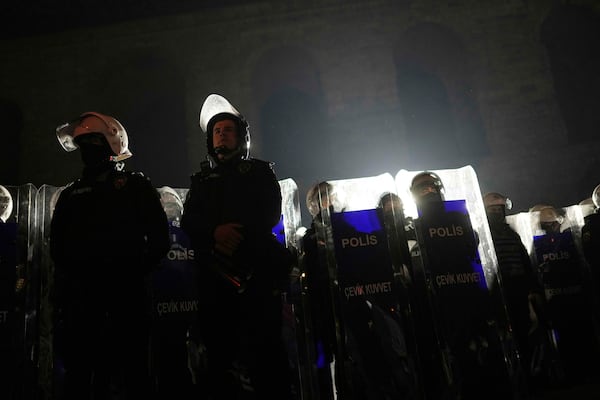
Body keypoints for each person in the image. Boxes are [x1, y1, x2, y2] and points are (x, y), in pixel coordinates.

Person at [50, 111, 170, 400]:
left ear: (111, 143)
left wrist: (131, 273)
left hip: (127, 299)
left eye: (95, 140)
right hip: (82, 302)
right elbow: (58, 248)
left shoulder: (135, 186)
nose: (89, 148)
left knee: (133, 374)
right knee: (80, 376)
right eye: (84, 143)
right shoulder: (71, 195)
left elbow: (159, 239)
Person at [181, 94, 294, 399]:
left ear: (241, 137)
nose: (222, 135)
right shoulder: (201, 180)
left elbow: (270, 212)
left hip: (257, 277)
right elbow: (189, 221)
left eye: (228, 130)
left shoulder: (259, 172)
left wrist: (236, 233)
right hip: (215, 282)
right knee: (220, 361)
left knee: (267, 357)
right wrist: (215, 231)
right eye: (217, 131)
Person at [483, 192, 541, 385]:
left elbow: (525, 262)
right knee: (502, 334)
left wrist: (532, 288)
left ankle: (527, 373)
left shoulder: (512, 235)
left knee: (523, 331)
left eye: (499, 209)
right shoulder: (484, 235)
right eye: (493, 209)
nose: (497, 212)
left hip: (518, 288)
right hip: (497, 290)